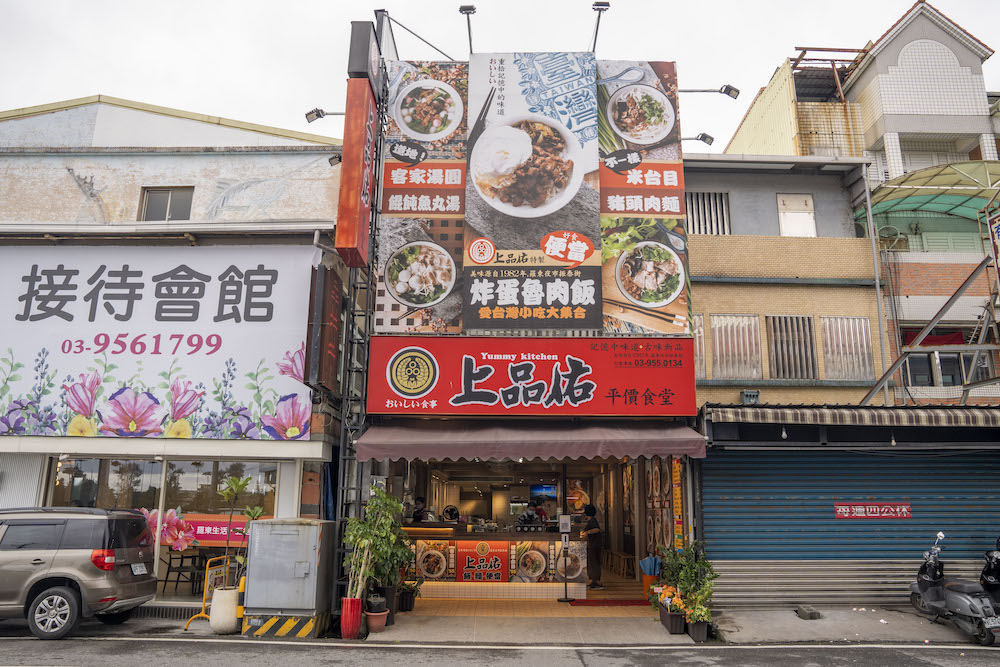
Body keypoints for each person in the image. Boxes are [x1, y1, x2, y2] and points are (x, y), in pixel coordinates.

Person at [580, 504, 603, 590]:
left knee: (595, 563)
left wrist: (587, 532)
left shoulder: (593, 521)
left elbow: (597, 529)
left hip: (594, 546)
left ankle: (597, 582)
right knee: (592, 563)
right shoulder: (592, 520)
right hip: (593, 545)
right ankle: (594, 581)